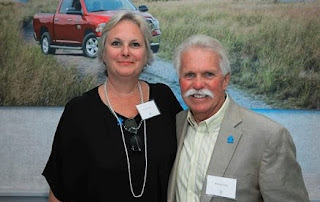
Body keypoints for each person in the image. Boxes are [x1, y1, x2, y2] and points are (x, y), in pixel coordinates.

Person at [42, 11, 182, 201]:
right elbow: (59, 193)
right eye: (116, 43)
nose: (126, 51)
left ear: (146, 53)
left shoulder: (164, 99)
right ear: (103, 53)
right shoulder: (79, 112)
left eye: (135, 44)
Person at [167, 35, 309, 202]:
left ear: (225, 80)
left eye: (208, 74)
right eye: (189, 75)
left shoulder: (269, 137)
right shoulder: (175, 124)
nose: (198, 84)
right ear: (179, 80)